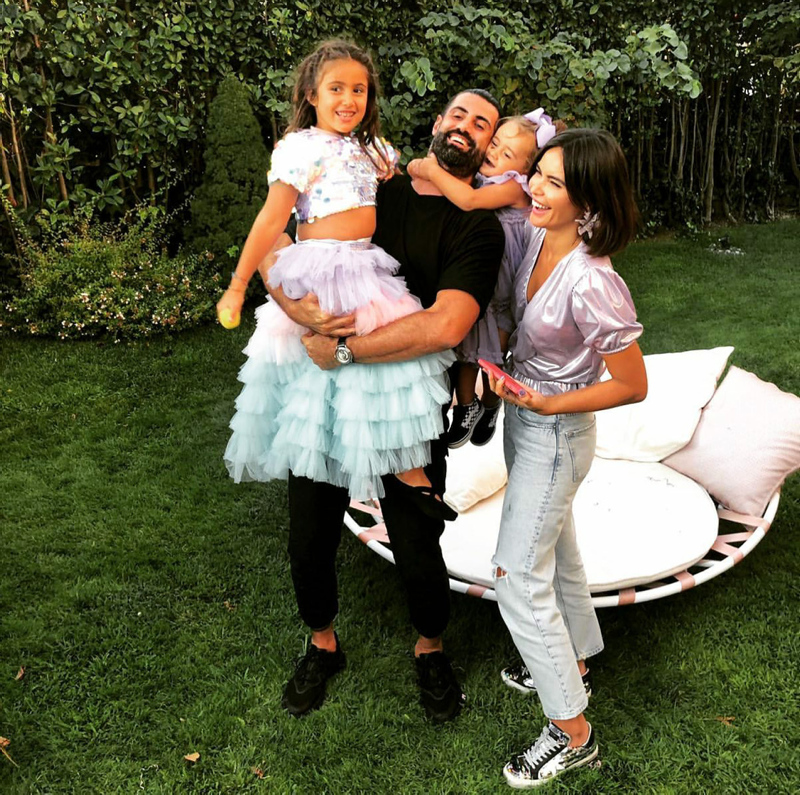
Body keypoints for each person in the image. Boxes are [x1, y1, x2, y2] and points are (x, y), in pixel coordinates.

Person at [260, 86, 505, 721]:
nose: (466, 126)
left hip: (405, 398)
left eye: (482, 124)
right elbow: (277, 243)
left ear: (488, 147)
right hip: (325, 395)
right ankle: (322, 644)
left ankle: (431, 649)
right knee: (309, 531)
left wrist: (342, 350)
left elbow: (447, 325)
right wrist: (299, 311)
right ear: (438, 123)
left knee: (417, 536)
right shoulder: (373, 186)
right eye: (459, 114)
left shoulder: (478, 227)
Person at [218, 39, 456, 518]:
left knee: (389, 358)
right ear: (311, 94)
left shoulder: (372, 149)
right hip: (322, 267)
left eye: (359, 90)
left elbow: (408, 177)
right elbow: (271, 220)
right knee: (348, 365)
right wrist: (238, 286)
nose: (349, 100)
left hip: (365, 262)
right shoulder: (300, 149)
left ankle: (406, 471)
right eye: (336, 89)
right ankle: (358, 468)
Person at [484, 128, 647, 788]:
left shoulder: (594, 281)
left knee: (516, 574)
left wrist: (551, 403)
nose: (536, 188)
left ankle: (572, 732)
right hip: (523, 419)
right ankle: (574, 659)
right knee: (558, 551)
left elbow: (633, 384)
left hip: (556, 437)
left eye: (554, 182)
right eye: (539, 174)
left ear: (588, 203)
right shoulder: (536, 235)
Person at [408, 109, 564, 449]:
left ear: (525, 169)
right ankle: (467, 406)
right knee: (467, 352)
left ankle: (491, 406)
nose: (493, 153)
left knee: (493, 360)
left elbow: (468, 201)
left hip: (504, 291)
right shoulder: (480, 176)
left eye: (507, 154)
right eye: (494, 144)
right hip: (480, 285)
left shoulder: (514, 187)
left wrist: (429, 169)